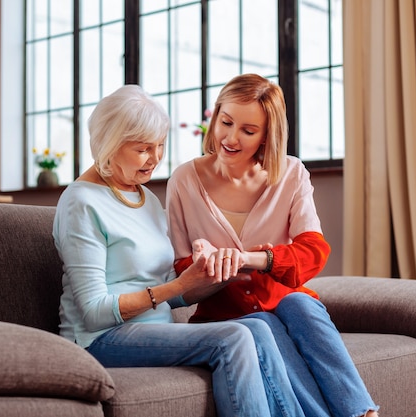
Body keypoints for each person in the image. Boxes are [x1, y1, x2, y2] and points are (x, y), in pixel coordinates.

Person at [53, 84, 307, 417]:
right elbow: (93, 312)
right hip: (100, 339)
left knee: (257, 325)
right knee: (232, 338)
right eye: (143, 149)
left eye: (160, 146)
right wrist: (180, 285)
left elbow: (173, 294)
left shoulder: (145, 199)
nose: (156, 158)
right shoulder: (81, 203)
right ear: (109, 144)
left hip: (154, 330)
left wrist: (223, 271)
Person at [166, 73, 379, 417]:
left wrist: (256, 259)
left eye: (248, 131)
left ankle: (365, 413)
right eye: (226, 122)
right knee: (262, 325)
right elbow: (180, 272)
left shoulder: (292, 174)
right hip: (224, 318)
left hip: (285, 305)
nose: (231, 138)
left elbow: (313, 250)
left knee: (301, 305)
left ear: (267, 136)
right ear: (216, 115)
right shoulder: (184, 181)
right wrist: (206, 269)